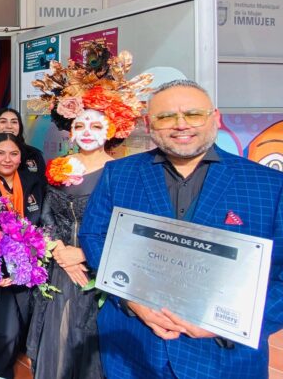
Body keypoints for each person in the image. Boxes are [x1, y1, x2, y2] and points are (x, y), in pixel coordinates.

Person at [79, 80, 283, 379]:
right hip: (134, 346)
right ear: (149, 124)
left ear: (216, 118)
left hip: (224, 355)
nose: (181, 125)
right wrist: (130, 301)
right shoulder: (120, 173)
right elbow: (94, 235)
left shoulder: (268, 185)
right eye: (166, 116)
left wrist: (233, 324)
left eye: (193, 114)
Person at [26, 44, 148, 379]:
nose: (87, 133)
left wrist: (85, 254)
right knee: (58, 341)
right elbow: (45, 216)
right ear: (70, 130)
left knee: (93, 345)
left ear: (111, 129)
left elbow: (130, 230)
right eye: (80, 126)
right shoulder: (60, 167)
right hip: (60, 268)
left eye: (96, 126)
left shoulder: (123, 172)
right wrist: (59, 250)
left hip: (101, 271)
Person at [0, 133, 47, 379]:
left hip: (27, 264)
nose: (7, 159)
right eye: (0, 153)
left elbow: (44, 220)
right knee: (7, 330)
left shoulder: (33, 180)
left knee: (25, 320)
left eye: (14, 153)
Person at [0, 108, 46, 180]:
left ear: (19, 127)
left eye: (14, 122)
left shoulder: (33, 154)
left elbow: (42, 183)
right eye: (3, 121)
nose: (9, 126)